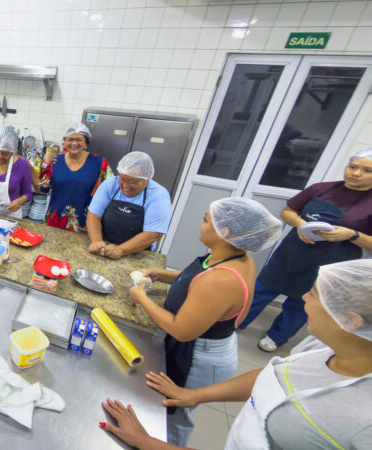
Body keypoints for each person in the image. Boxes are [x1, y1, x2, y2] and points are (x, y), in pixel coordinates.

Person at [100, 259, 372, 450]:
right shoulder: (320, 346)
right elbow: (276, 372)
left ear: (350, 320)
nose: (303, 298)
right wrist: (193, 395)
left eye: (314, 294)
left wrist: (149, 443)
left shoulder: (362, 423)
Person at [129, 197, 281, 446]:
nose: (200, 223)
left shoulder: (222, 280)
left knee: (176, 414)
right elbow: (196, 276)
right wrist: (161, 275)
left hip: (199, 356)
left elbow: (181, 329)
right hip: (198, 344)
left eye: (205, 219)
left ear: (225, 232)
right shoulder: (231, 256)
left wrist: (141, 297)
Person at [239, 148, 372, 352]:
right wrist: (300, 224)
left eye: (367, 170)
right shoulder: (321, 188)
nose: (355, 173)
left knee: (302, 303)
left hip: (331, 262)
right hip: (292, 253)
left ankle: (278, 335)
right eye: (353, 167)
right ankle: (239, 320)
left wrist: (352, 235)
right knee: (262, 289)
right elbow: (288, 211)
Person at [87, 151, 172, 258]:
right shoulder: (110, 185)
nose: (126, 185)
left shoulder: (158, 195)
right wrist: (96, 242)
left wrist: (121, 250)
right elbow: (94, 216)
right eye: (122, 179)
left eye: (133, 182)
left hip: (137, 254)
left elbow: (154, 234)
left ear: (147, 177)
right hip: (104, 248)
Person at [39, 122, 110, 233]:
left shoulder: (99, 162)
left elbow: (109, 192)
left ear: (86, 142)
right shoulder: (56, 161)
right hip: (55, 219)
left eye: (79, 139)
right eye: (70, 139)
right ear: (65, 142)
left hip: (85, 223)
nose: (74, 143)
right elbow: (43, 188)